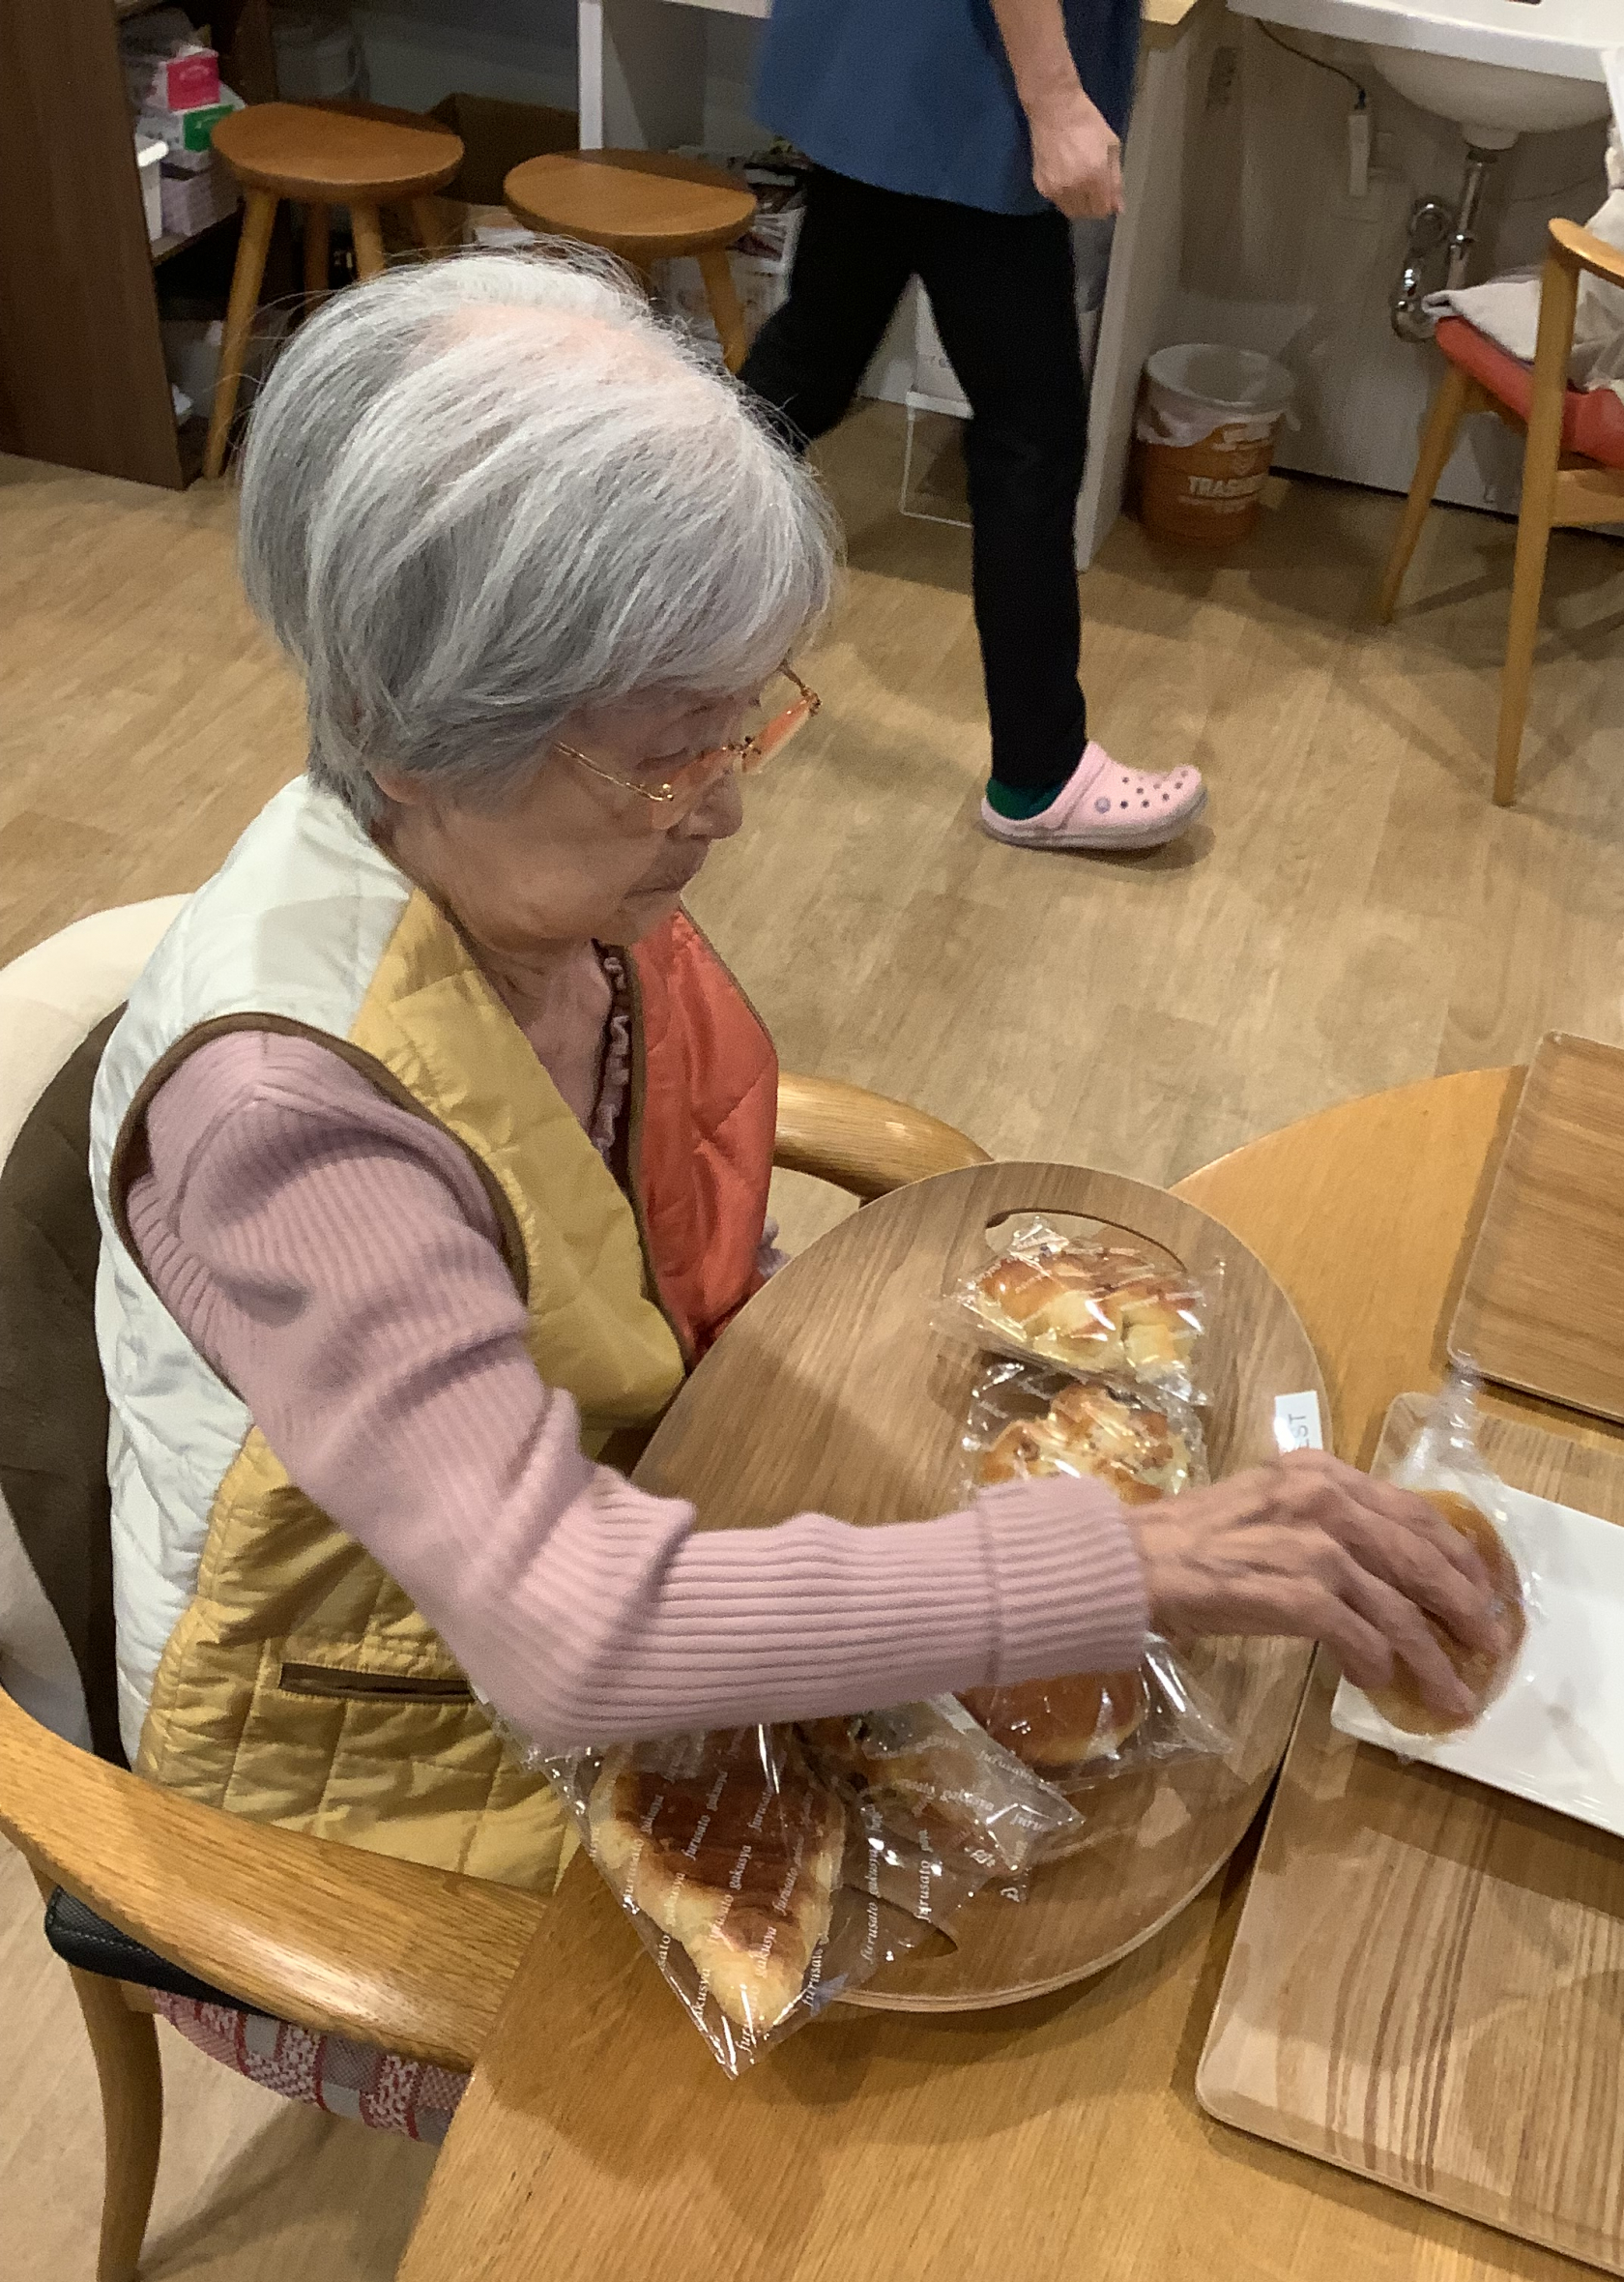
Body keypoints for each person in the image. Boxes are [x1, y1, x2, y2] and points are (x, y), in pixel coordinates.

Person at [94, 249, 1488, 1925]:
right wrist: (1130, 1562)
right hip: (366, 1770)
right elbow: (568, 1634)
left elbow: (624, 1210)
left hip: (621, 1515)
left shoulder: (532, 875)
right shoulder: (286, 1118)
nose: (726, 803)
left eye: (739, 723)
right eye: (668, 750)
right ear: (404, 726)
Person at [742, 0, 1207, 856]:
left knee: (801, 374)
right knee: (1030, 440)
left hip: (895, 65)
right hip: (968, 85)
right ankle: (1040, 776)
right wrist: (1056, 102)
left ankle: (598, 611)